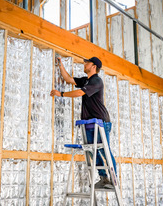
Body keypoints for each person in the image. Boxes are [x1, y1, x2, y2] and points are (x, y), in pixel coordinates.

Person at [50, 56, 117, 189]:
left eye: (87, 62)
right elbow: (69, 79)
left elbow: (80, 92)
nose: (84, 64)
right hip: (90, 123)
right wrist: (60, 65)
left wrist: (61, 94)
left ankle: (114, 180)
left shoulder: (97, 81)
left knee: (105, 151)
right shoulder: (86, 81)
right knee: (93, 151)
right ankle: (104, 178)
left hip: (101, 123)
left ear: (94, 66)